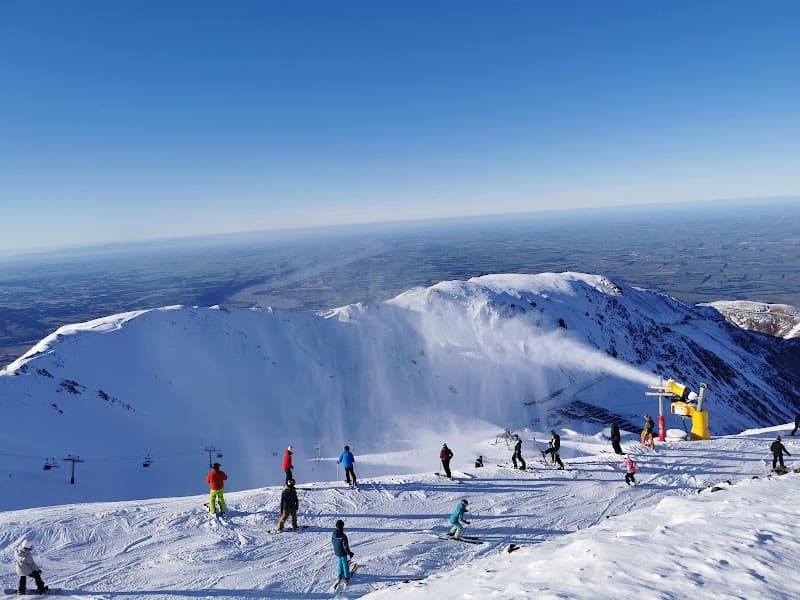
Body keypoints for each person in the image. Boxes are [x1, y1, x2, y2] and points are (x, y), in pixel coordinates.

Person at [331, 519, 354, 587]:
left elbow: (332, 541)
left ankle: (339, 573)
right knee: (345, 563)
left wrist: (336, 548)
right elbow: (345, 546)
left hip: (337, 551)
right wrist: (349, 553)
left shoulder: (333, 533)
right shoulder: (343, 536)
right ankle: (346, 576)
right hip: (342, 552)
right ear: (342, 526)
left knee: (340, 561)